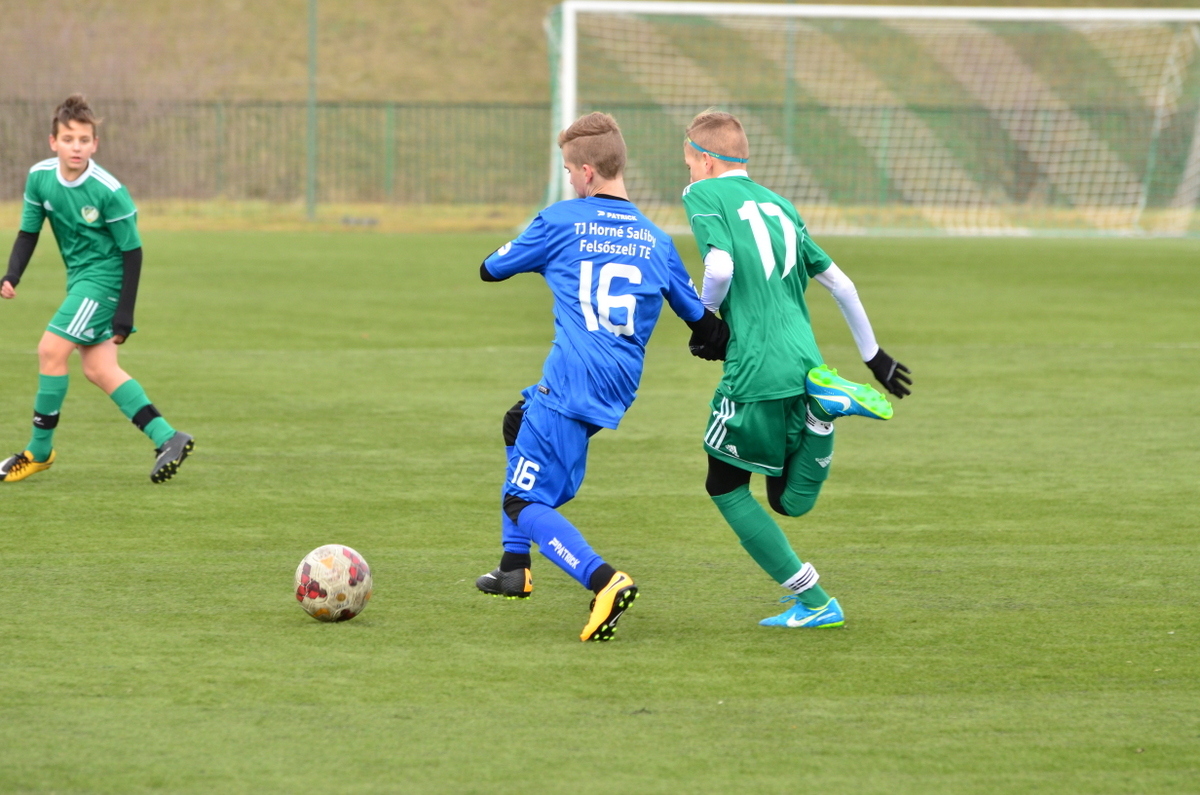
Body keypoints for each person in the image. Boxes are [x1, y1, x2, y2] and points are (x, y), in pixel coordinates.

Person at [475, 112, 727, 642]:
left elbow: (490, 268)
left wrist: (544, 255)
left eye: (569, 170)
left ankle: (605, 580)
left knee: (525, 501)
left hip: (571, 379)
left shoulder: (560, 219)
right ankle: (513, 569)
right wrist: (714, 341)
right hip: (618, 384)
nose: (568, 179)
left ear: (587, 173)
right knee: (517, 422)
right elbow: (704, 324)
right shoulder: (656, 241)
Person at [680, 109, 912, 629]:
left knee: (723, 486)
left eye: (690, 162)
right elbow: (842, 285)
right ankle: (822, 416)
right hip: (806, 360)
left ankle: (816, 602)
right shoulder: (780, 205)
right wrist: (874, 356)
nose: (688, 173)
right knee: (785, 500)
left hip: (756, 364)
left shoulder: (703, 196)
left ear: (709, 159)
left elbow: (719, 266)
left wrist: (705, 316)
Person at [1, 95, 193, 484]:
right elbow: (28, 231)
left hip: (105, 280)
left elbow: (133, 253)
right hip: (80, 279)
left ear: (95, 144)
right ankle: (168, 437)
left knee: (50, 349)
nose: (77, 147)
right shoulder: (39, 177)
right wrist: (11, 275)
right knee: (100, 368)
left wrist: (125, 314)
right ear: (53, 142)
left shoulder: (109, 190)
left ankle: (38, 451)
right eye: (69, 139)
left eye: (84, 140)